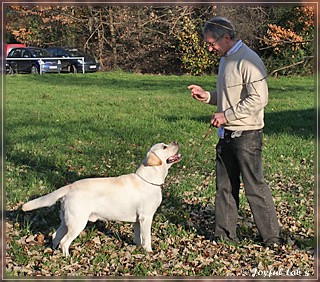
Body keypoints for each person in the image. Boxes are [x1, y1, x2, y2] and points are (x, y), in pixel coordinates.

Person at [188, 17, 282, 245]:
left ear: (227, 38)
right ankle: (224, 236)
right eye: (208, 44)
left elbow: (259, 99)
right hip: (226, 134)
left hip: (247, 135)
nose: (210, 48)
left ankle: (272, 239)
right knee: (224, 188)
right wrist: (208, 96)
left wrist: (226, 116)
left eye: (212, 44)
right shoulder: (225, 59)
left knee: (255, 187)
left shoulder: (249, 60)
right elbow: (230, 98)